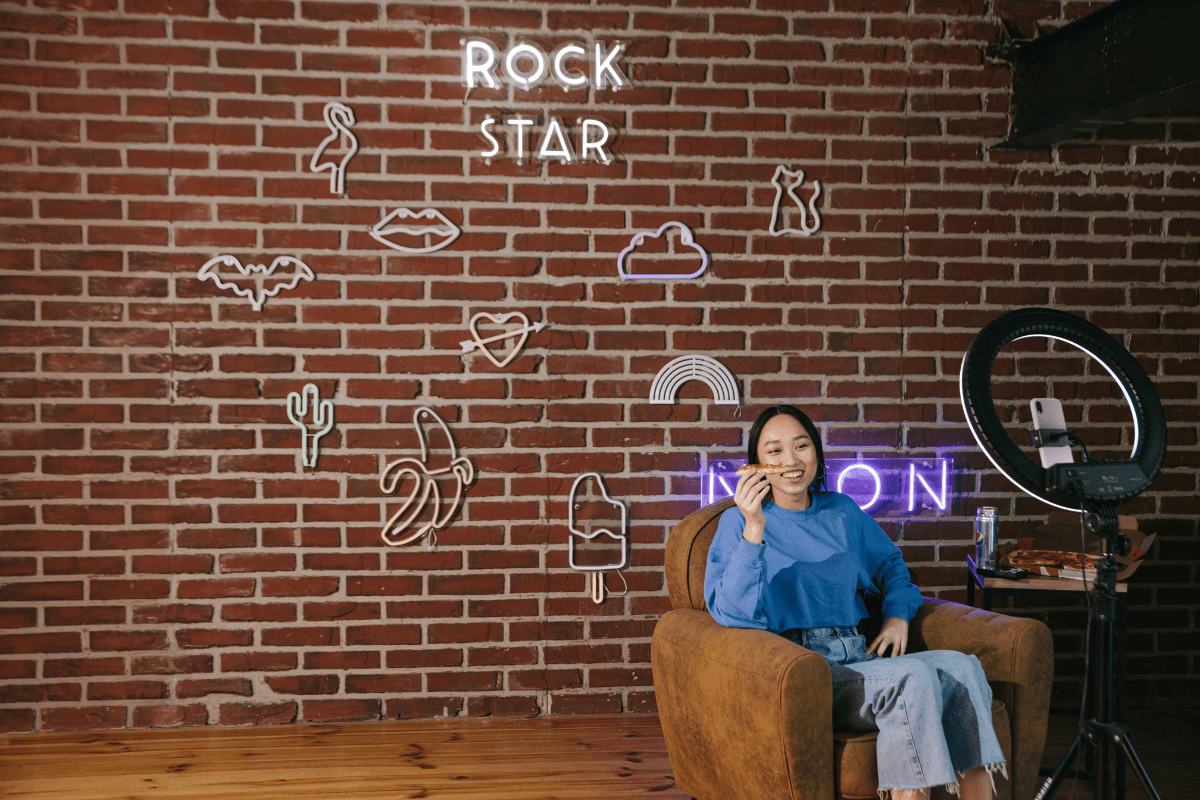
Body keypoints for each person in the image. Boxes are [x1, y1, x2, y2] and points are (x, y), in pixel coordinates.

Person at [705, 405, 1006, 800]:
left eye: (802, 446)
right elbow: (730, 613)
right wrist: (755, 526)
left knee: (963, 667)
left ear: (816, 453)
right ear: (757, 464)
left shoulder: (843, 512)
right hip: (803, 670)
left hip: (858, 656)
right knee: (911, 679)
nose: (791, 461)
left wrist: (897, 615)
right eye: (775, 451)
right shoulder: (738, 523)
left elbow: (891, 566)